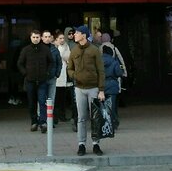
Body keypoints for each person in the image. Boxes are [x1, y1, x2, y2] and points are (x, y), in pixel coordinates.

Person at [67, 25, 106, 156]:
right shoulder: (74, 50)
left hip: (94, 88)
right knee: (81, 118)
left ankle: (96, 144)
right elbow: (69, 68)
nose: (75, 35)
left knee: (95, 117)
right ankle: (81, 144)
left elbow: (101, 70)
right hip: (79, 88)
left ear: (83, 35)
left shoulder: (94, 50)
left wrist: (101, 90)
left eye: (77, 33)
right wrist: (74, 76)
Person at [17, 29, 55, 133]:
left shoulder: (45, 49)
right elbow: (19, 63)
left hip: (42, 80)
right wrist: (25, 73)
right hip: (30, 81)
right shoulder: (26, 50)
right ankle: (34, 122)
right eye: (33, 37)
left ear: (40, 38)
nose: (35, 39)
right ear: (30, 38)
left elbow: (51, 62)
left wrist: (47, 72)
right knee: (31, 103)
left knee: (42, 101)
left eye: (37, 37)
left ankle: (43, 122)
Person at [101, 43, 123, 130]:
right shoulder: (114, 62)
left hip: (101, 86)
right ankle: (113, 123)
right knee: (112, 106)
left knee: (102, 106)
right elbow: (119, 73)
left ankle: (103, 123)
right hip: (112, 85)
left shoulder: (98, 61)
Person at [53, 32, 73, 124]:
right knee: (55, 98)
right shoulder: (53, 48)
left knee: (62, 98)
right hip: (56, 76)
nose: (62, 40)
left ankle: (62, 115)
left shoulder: (66, 47)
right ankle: (55, 117)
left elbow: (69, 58)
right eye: (60, 38)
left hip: (64, 75)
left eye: (63, 38)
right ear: (56, 39)